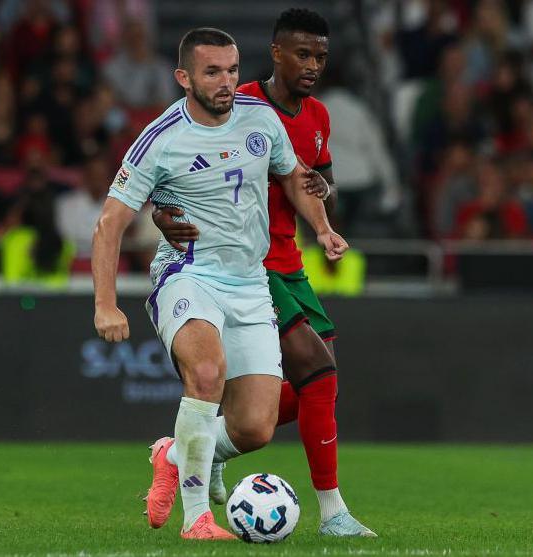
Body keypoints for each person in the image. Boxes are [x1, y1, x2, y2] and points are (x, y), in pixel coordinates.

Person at [92, 27, 345, 540]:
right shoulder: (161, 138)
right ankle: (197, 520)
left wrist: (322, 227)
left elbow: (295, 175)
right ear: (184, 77)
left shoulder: (260, 119)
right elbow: (110, 223)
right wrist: (106, 304)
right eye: (212, 72)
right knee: (206, 373)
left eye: (232, 70)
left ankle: (173, 453)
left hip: (251, 282)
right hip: (188, 274)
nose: (226, 81)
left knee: (254, 427)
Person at [152, 9, 376, 537]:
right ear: (276, 52)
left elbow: (315, 181)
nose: (312, 65)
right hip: (247, 267)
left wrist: (324, 221)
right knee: (320, 374)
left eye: (320, 56)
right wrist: (164, 213)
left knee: (304, 394)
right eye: (302, 53)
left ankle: (195, 456)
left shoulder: (318, 115)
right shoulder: (237, 102)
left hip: (291, 265)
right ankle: (333, 513)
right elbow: (175, 162)